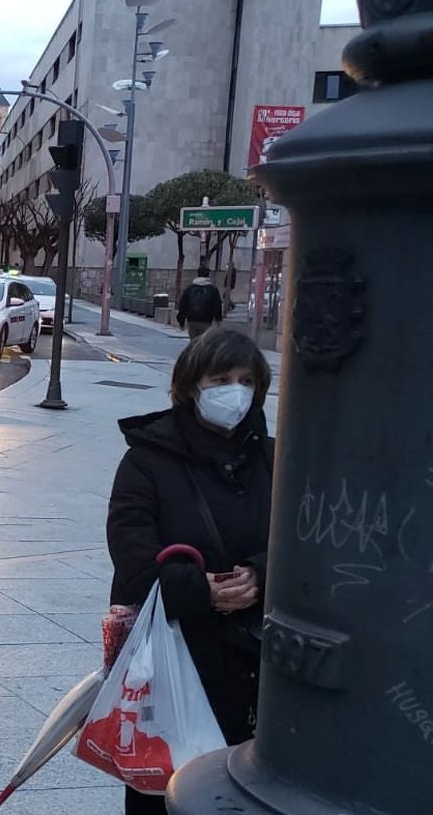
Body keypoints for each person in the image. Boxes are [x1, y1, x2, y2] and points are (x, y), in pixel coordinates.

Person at [106, 328, 273, 815]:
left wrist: (259, 575)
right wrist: (202, 591)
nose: (235, 392)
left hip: (253, 670)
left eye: (247, 380)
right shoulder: (145, 460)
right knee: (162, 794)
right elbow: (133, 561)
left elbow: (303, 545)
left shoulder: (274, 457)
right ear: (190, 385)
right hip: (174, 665)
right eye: (221, 378)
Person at [176, 267, 224, 340]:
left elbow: (183, 306)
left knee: (193, 343)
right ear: (208, 275)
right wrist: (218, 319)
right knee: (203, 343)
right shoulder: (212, 290)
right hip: (206, 322)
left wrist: (181, 322)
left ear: (197, 274)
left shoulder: (189, 289)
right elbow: (217, 306)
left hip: (192, 321)